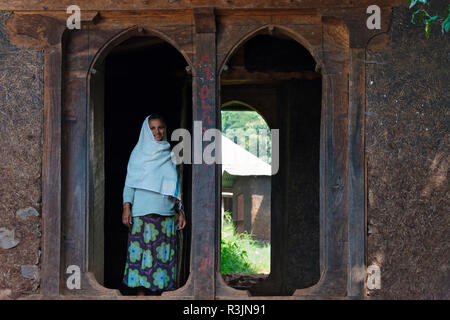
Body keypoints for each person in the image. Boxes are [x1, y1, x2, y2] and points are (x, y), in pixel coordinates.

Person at [121, 114, 186, 296]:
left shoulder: (169, 153)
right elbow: (130, 182)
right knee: (142, 254)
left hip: (166, 213)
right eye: (152, 128)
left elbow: (175, 185)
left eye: (160, 127)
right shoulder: (138, 153)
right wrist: (127, 207)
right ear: (146, 130)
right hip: (142, 212)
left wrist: (180, 210)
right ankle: (141, 294)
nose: (157, 132)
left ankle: (160, 294)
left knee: (163, 256)